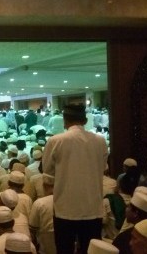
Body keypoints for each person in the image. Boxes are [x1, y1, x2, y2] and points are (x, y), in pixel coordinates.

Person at [42, 104, 108, 254]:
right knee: (90, 250)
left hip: (65, 210)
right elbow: (103, 170)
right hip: (93, 209)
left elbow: (48, 179)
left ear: (65, 120)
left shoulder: (55, 141)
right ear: (84, 120)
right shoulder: (100, 141)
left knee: (64, 250)